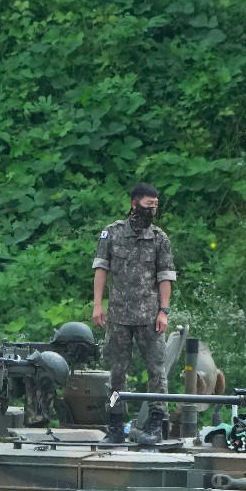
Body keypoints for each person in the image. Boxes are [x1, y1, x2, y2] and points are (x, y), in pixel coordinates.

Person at [92, 182, 177, 443]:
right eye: (147, 204)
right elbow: (101, 269)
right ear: (134, 203)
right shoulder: (112, 233)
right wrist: (98, 305)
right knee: (117, 372)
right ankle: (116, 425)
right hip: (118, 316)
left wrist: (163, 311)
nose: (152, 209)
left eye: (155, 205)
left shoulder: (159, 238)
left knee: (157, 371)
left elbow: (165, 277)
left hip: (149, 317)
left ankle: (155, 422)